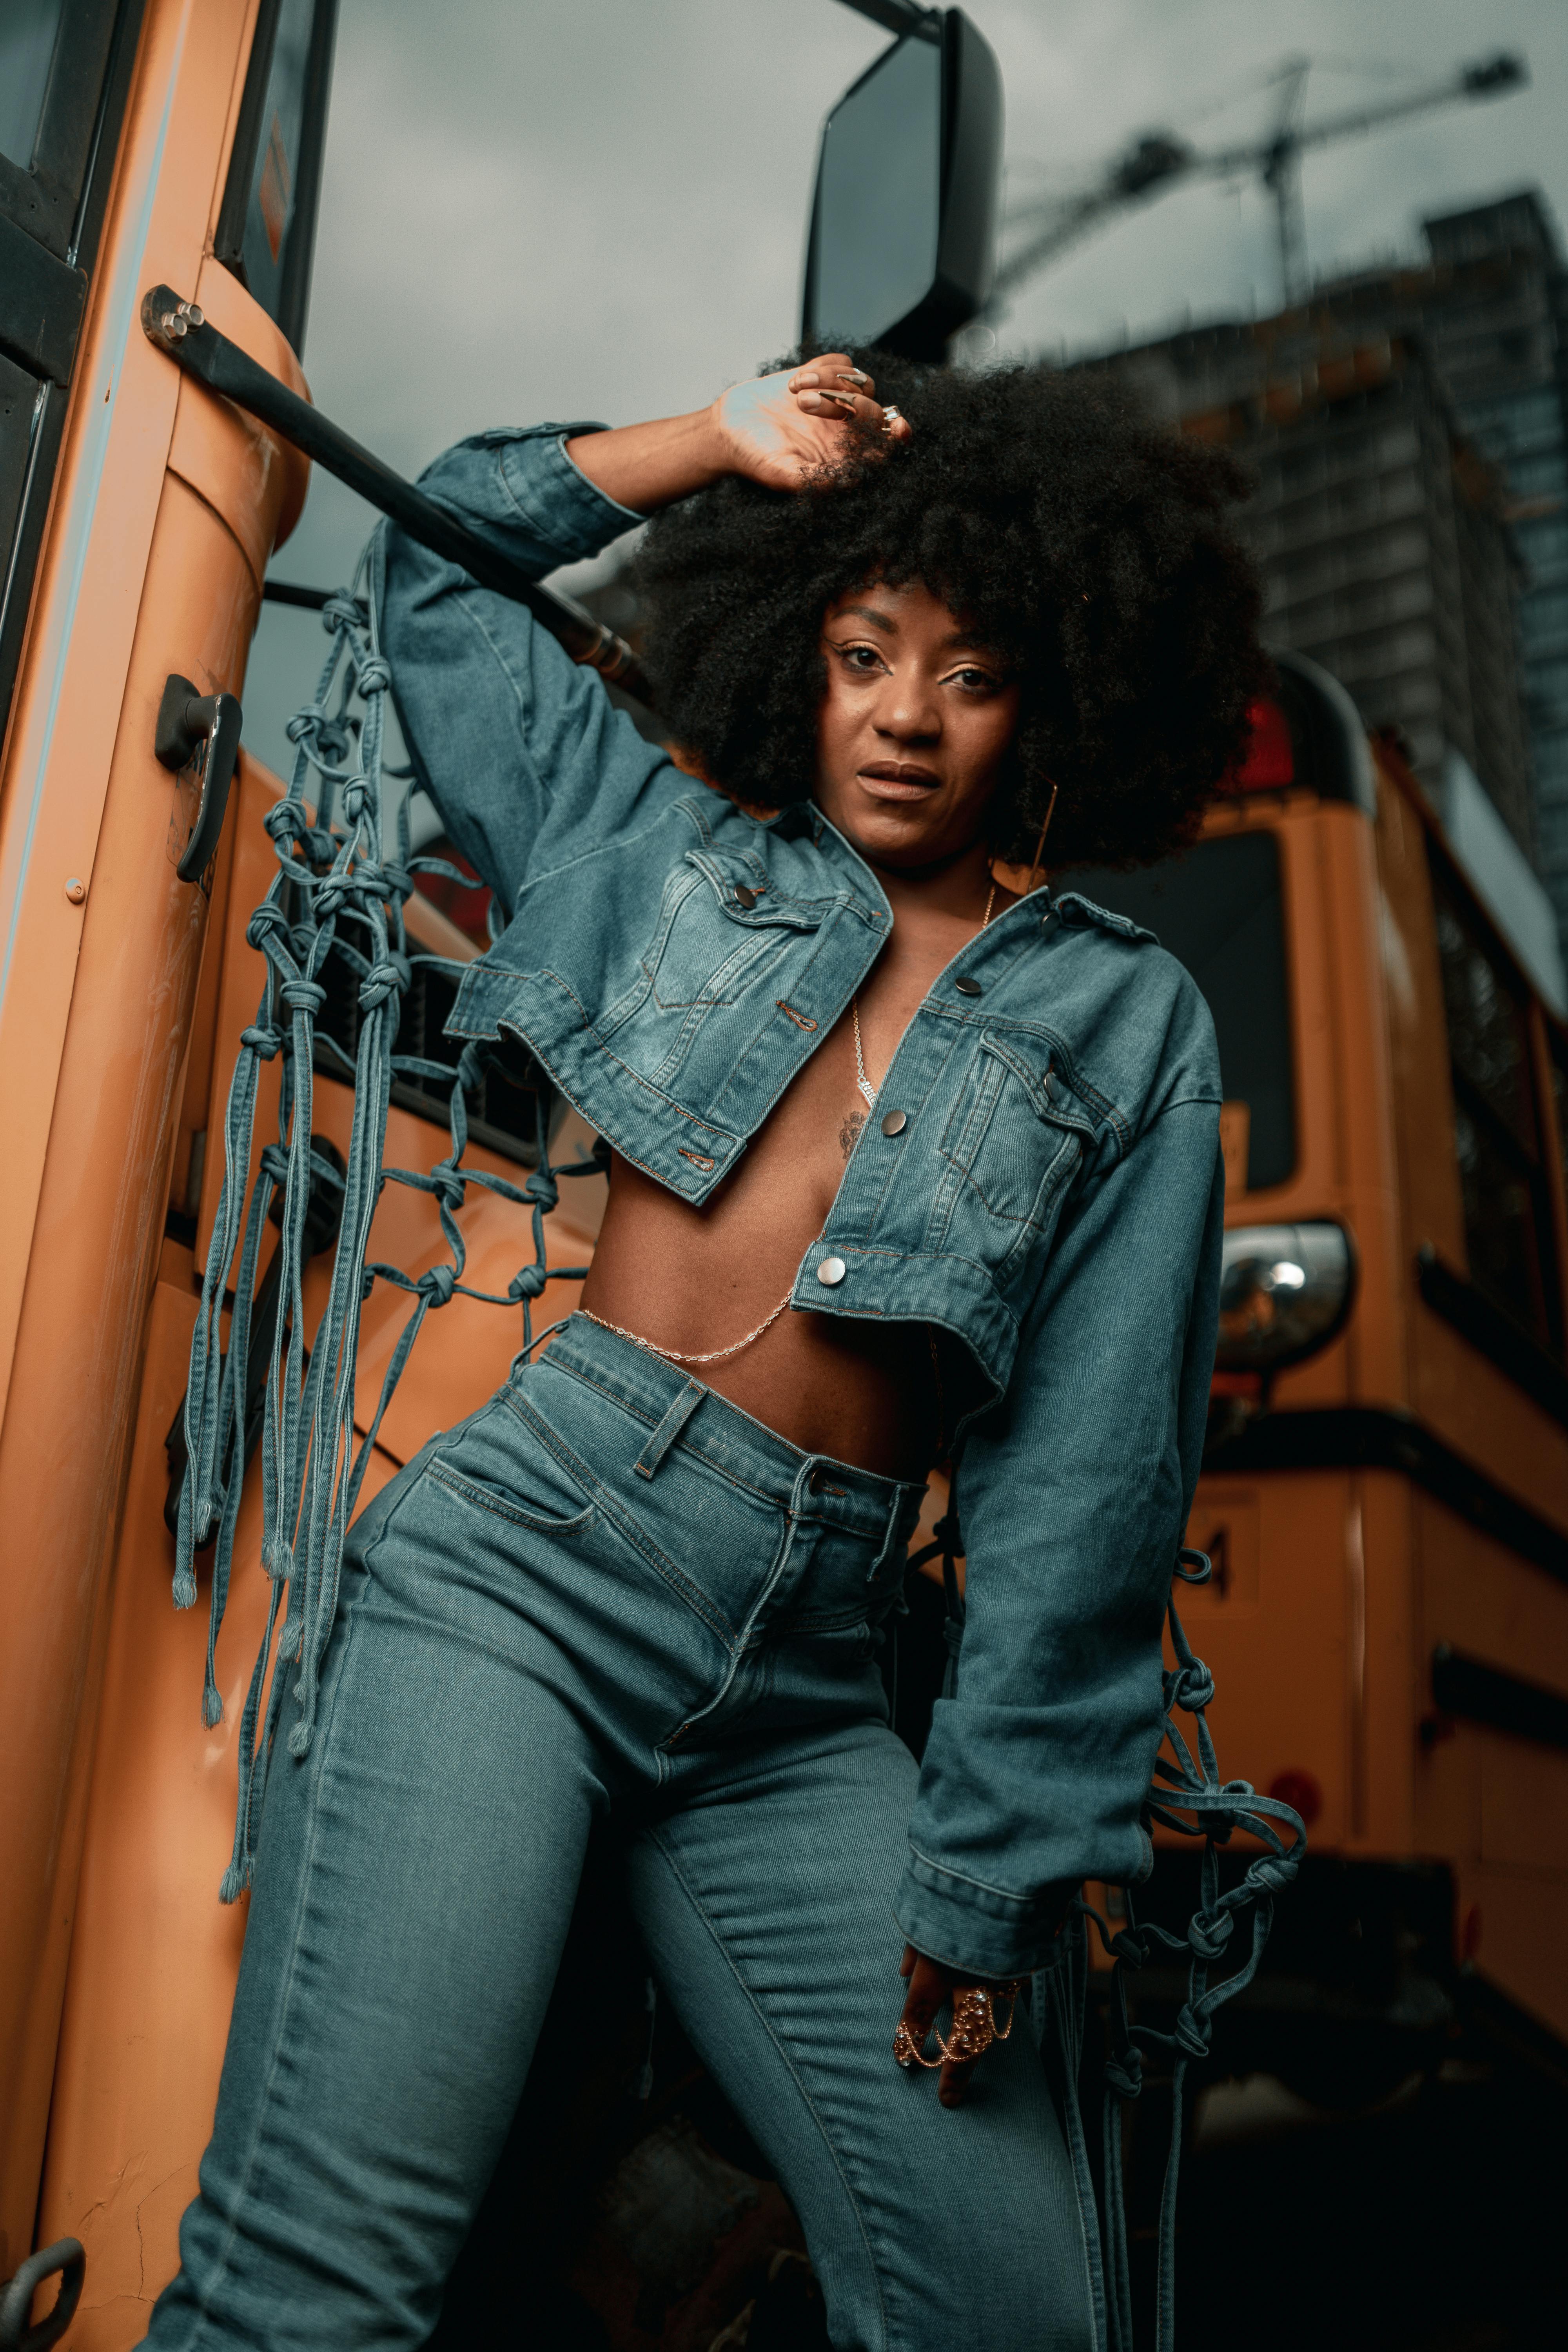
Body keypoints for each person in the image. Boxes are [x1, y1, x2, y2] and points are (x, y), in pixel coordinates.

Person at [147, 349, 1263, 2350]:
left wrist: (986, 1882)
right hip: (525, 1581)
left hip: (806, 1695)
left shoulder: (1129, 1026)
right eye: (860, 652)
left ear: (1062, 697)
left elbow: (1088, 1496)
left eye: (971, 672)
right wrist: (714, 442)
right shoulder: (658, 846)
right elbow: (436, 570)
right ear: (799, 656)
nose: (906, 718)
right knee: (315, 2303)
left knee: (1010, 2313)